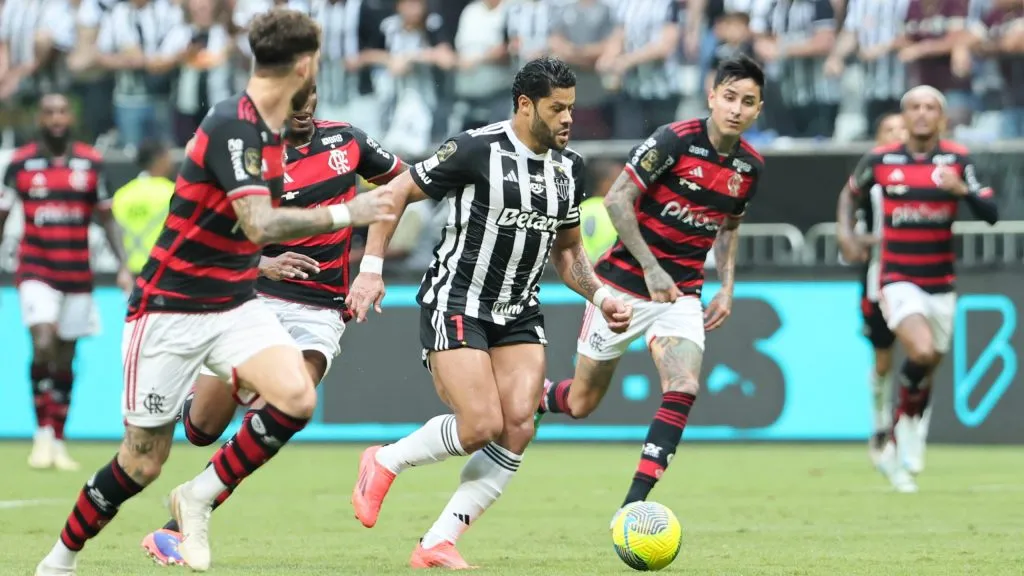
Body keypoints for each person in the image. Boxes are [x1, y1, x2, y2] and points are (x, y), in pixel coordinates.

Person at [34, 10, 395, 576]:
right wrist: (354, 209)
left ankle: (198, 496)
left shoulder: (297, 134)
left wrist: (369, 253)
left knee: (297, 397)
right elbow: (256, 223)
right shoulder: (234, 124)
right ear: (305, 65)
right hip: (171, 306)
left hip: (235, 304)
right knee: (142, 462)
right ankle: (59, 561)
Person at [346, 56, 633, 569]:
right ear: (526, 105)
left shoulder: (570, 168)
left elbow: (567, 254)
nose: (569, 118)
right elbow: (395, 192)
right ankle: (384, 459)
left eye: (572, 107)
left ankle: (438, 541)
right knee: (479, 425)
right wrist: (370, 269)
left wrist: (603, 297)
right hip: (457, 300)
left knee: (519, 424)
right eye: (557, 108)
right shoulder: (477, 148)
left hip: (519, 311)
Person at [138, 82, 407, 567]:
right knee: (203, 428)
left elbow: (400, 186)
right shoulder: (243, 155)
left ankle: (187, 510)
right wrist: (261, 263)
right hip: (251, 295)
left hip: (321, 306)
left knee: (292, 402)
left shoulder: (347, 140)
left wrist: (371, 266)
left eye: (310, 102)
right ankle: (203, 389)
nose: (303, 112)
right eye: (292, 104)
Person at [533, 55, 766, 521]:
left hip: (681, 295)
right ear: (711, 96)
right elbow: (618, 199)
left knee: (684, 384)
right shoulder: (674, 141)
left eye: (748, 102)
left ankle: (632, 506)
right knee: (581, 403)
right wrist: (651, 267)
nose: (737, 109)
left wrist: (727, 287)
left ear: (758, 110)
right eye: (729, 97)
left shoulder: (749, 167)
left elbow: (729, 227)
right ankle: (538, 397)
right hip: (620, 287)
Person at [837, 85, 999, 494]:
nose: (922, 114)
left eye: (931, 107)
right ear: (904, 116)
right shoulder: (881, 159)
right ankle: (897, 436)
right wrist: (847, 235)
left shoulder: (957, 160)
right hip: (897, 277)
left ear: (941, 117)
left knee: (927, 368)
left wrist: (962, 191)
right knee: (920, 351)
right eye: (915, 107)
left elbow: (992, 213)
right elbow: (849, 193)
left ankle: (901, 434)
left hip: (941, 282)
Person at [0, 93, 134, 473]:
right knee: (42, 342)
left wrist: (123, 266)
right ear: (39, 118)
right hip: (36, 269)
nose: (56, 118)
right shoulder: (20, 163)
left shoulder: (90, 163)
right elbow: (2, 215)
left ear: (70, 117)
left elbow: (106, 218)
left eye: (62, 111)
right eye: (49, 112)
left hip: (78, 273)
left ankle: (57, 438)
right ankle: (41, 433)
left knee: (65, 355)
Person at [111, 140, 177, 275]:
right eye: (168, 157)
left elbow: (115, 233)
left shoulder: (122, 195)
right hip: (163, 270)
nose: (172, 162)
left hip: (132, 271)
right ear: (159, 159)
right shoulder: (172, 192)